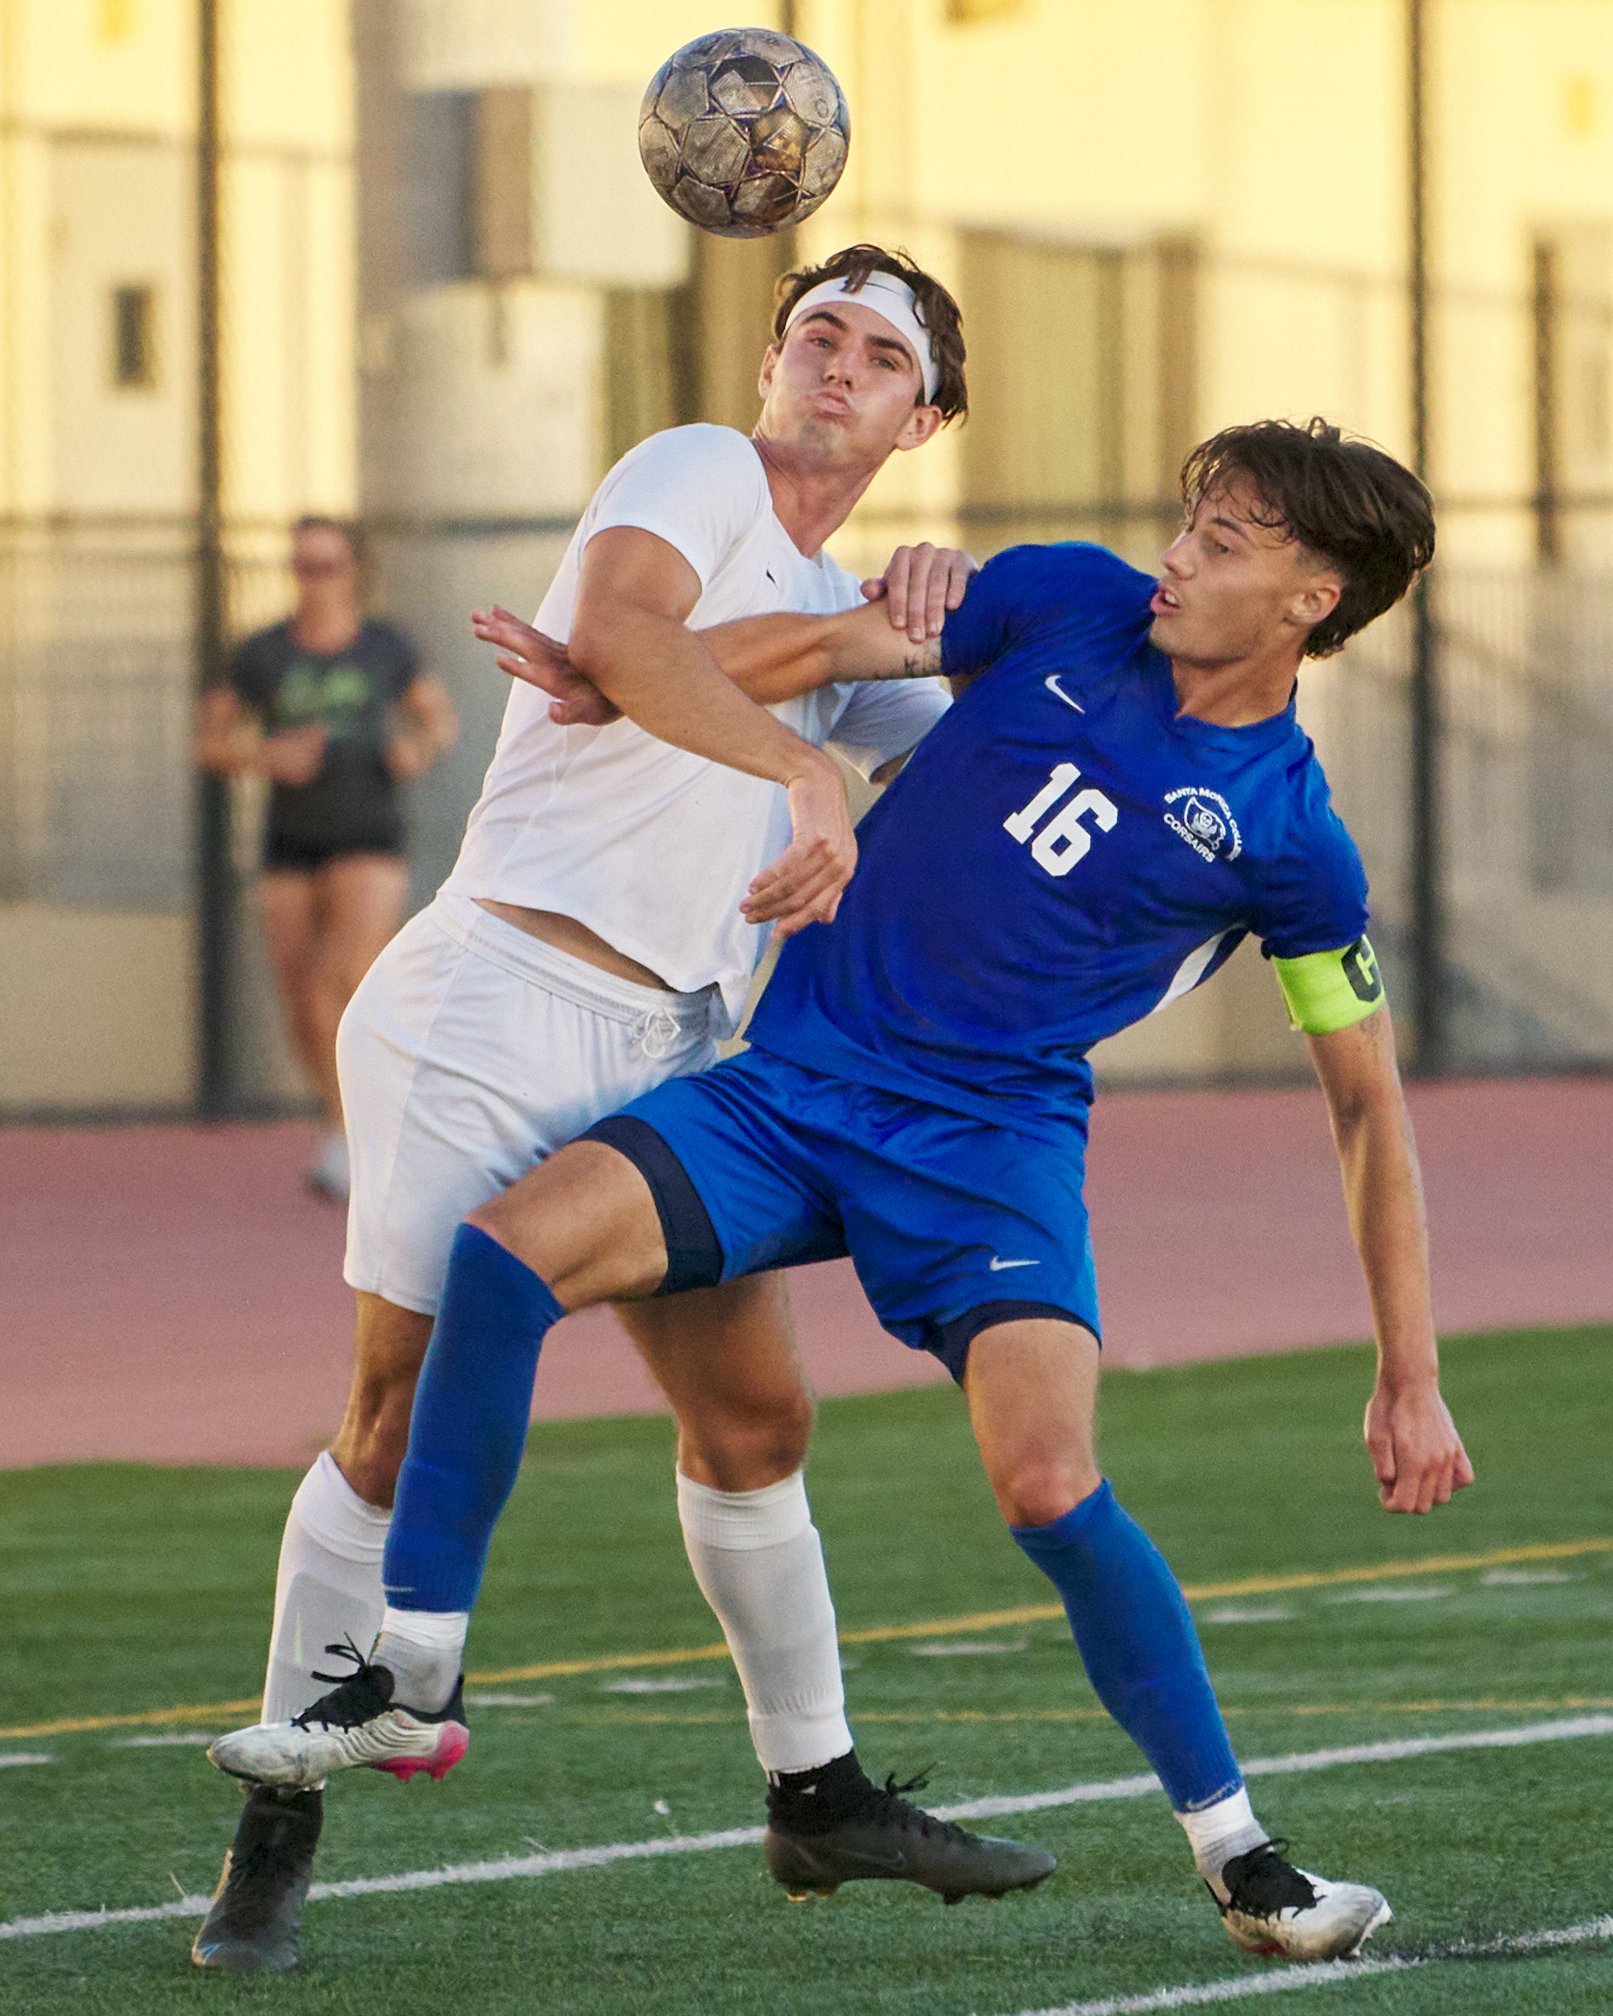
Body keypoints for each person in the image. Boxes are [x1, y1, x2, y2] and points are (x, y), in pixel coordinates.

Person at [213, 417, 1476, 1966]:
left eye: (1226, 542)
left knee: (1047, 1486)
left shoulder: (1292, 837)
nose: (1180, 553)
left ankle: (1244, 1860)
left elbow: (1367, 1107)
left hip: (986, 1145)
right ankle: (417, 1670)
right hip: (791, 1085)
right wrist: (618, 673)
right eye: (1192, 519)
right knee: (501, 1256)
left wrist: (1408, 1372)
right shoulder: (1068, 597)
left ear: (1314, 599)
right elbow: (814, 640)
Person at [195, 247, 1055, 1976]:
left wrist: (996, 623)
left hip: (674, 1046)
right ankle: (272, 1832)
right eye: (816, 329)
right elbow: (629, 641)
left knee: (756, 1425)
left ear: (924, 414)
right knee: (389, 1415)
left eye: (878, 351)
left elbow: (988, 742)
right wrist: (804, 752)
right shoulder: (693, 467)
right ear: (767, 361)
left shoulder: (841, 607)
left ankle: (815, 1793)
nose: (835, 359)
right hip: (491, 1009)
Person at [195, 516, 457, 1198]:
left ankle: (379, 1132)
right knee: (300, 999)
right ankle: (340, 1127)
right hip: (290, 837)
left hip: (368, 831)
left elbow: (437, 721)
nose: (316, 582)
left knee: (341, 984)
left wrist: (413, 750)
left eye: (328, 566)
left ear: (353, 571)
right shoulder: (260, 654)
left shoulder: (386, 647)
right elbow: (212, 744)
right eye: (303, 567)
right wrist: (265, 756)